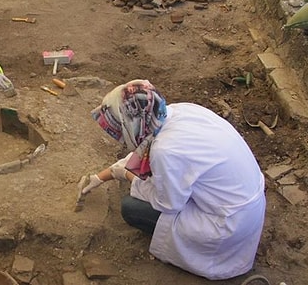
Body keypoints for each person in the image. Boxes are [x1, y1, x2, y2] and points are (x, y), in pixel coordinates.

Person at [81, 79, 266, 280]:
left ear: (132, 124)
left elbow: (169, 204)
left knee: (130, 207)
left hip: (227, 225)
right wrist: (102, 176)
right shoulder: (176, 112)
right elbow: (147, 147)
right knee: (152, 184)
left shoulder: (165, 151)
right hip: (248, 204)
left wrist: (127, 176)